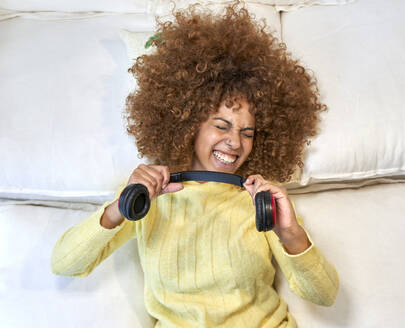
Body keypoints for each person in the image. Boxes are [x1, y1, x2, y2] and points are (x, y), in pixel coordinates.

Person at [51, 1, 339, 327]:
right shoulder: (148, 197)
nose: (235, 143)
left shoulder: (261, 199)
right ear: (188, 123)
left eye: (247, 132)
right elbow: (64, 263)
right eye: (221, 125)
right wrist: (121, 206)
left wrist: (290, 232)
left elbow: (324, 295)